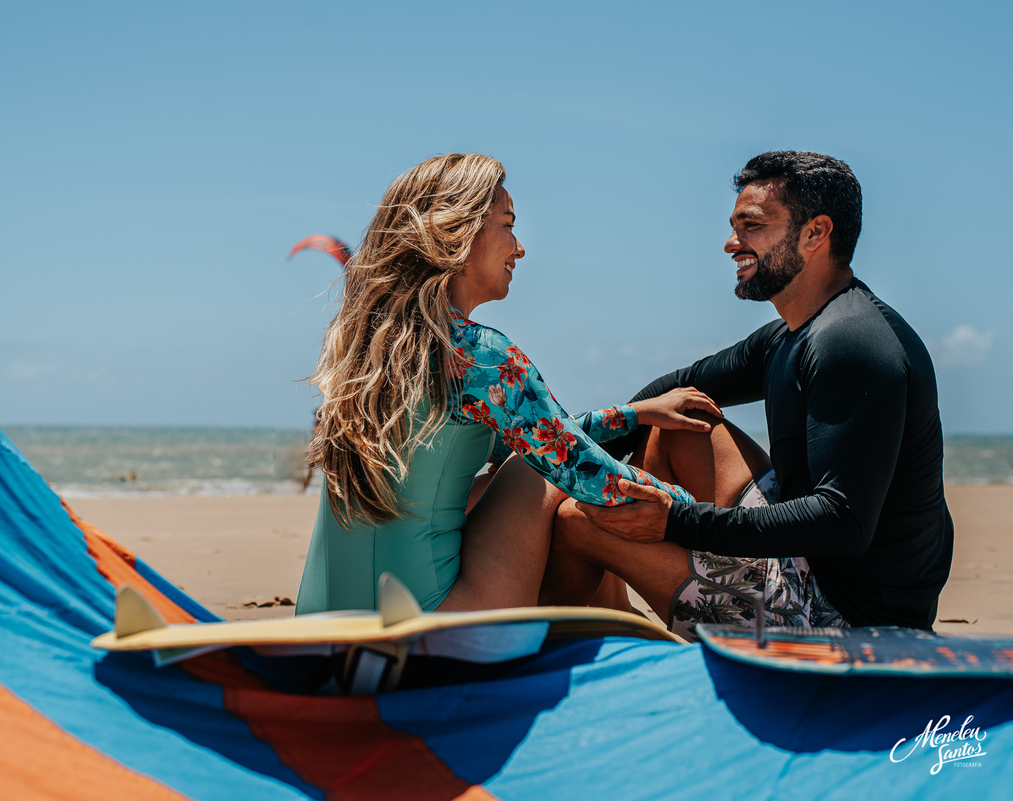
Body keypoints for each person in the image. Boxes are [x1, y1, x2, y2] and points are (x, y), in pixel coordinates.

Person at [548, 151, 953, 639]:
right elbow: (674, 390)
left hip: (845, 617)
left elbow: (841, 520)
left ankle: (562, 650)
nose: (730, 243)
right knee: (682, 419)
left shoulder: (851, 345)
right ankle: (615, 611)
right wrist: (573, 465)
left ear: (815, 233)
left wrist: (676, 522)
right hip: (807, 560)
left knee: (577, 522)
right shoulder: (792, 333)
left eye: (752, 226)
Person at [295, 153, 723, 615]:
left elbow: (529, 434)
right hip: (435, 630)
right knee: (529, 472)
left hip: (326, 632)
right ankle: (699, 604)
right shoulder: (481, 355)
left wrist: (634, 415)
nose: (519, 248)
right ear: (456, 232)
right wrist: (712, 521)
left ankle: (620, 618)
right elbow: (587, 473)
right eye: (507, 224)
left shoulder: (368, 352)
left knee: (521, 462)